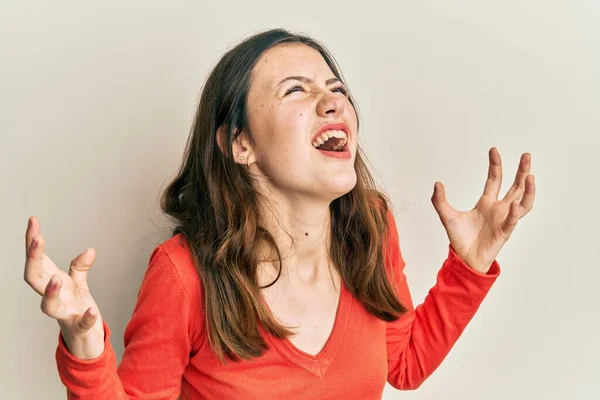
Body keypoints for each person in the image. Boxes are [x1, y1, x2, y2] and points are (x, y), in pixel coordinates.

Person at [23, 28, 535, 399]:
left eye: (338, 90)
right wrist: (86, 347)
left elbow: (403, 364)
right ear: (240, 143)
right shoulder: (184, 275)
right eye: (297, 89)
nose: (333, 102)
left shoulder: (370, 230)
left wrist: (467, 268)